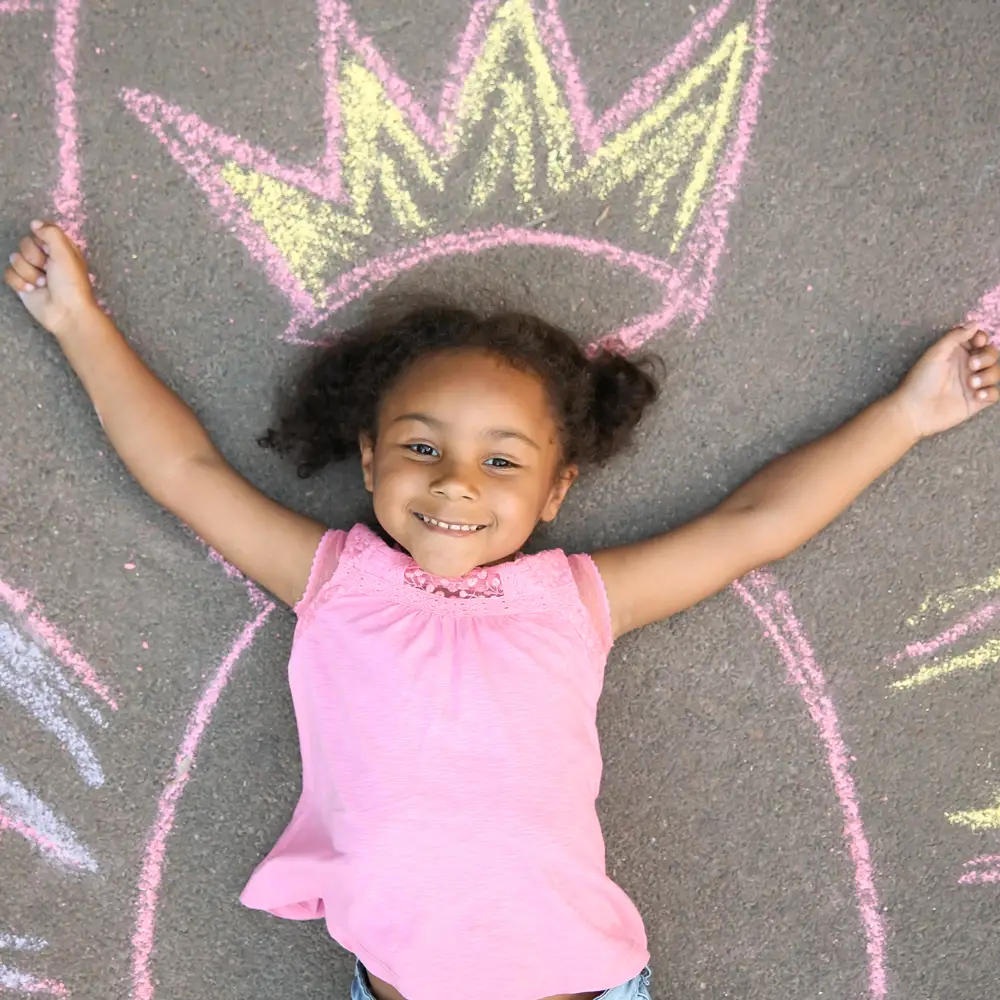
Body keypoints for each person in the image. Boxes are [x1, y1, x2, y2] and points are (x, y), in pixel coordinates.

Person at [5, 220, 997, 1000]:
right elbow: (184, 473)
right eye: (421, 447)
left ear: (555, 487)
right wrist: (80, 325)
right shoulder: (332, 579)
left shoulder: (575, 600)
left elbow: (752, 525)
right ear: (368, 458)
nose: (455, 484)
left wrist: (905, 416)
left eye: (502, 461)